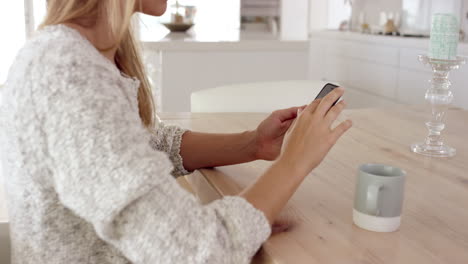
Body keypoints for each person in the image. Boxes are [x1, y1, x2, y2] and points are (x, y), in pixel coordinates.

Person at [1, 0, 352, 263]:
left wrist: (252, 144)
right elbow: (194, 252)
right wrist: (293, 164)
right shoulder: (69, 75)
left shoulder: (77, 54)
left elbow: (138, 146)